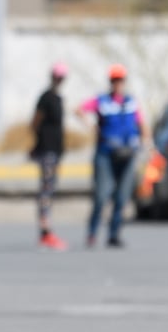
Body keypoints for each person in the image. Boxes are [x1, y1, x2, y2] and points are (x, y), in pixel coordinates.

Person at [75, 63, 151, 248]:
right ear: (110, 82)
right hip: (106, 154)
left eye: (120, 80)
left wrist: (147, 142)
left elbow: (142, 124)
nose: (118, 83)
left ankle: (114, 234)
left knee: (122, 197)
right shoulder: (102, 101)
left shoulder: (131, 102)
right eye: (114, 80)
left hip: (128, 155)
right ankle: (92, 232)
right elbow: (79, 110)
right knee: (101, 195)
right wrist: (91, 126)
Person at [30, 62, 69, 251]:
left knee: (50, 189)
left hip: (56, 151)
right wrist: (38, 144)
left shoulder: (59, 98)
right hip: (47, 150)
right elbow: (35, 122)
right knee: (46, 189)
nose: (59, 80)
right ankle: (45, 232)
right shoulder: (45, 98)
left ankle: (46, 230)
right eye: (57, 77)